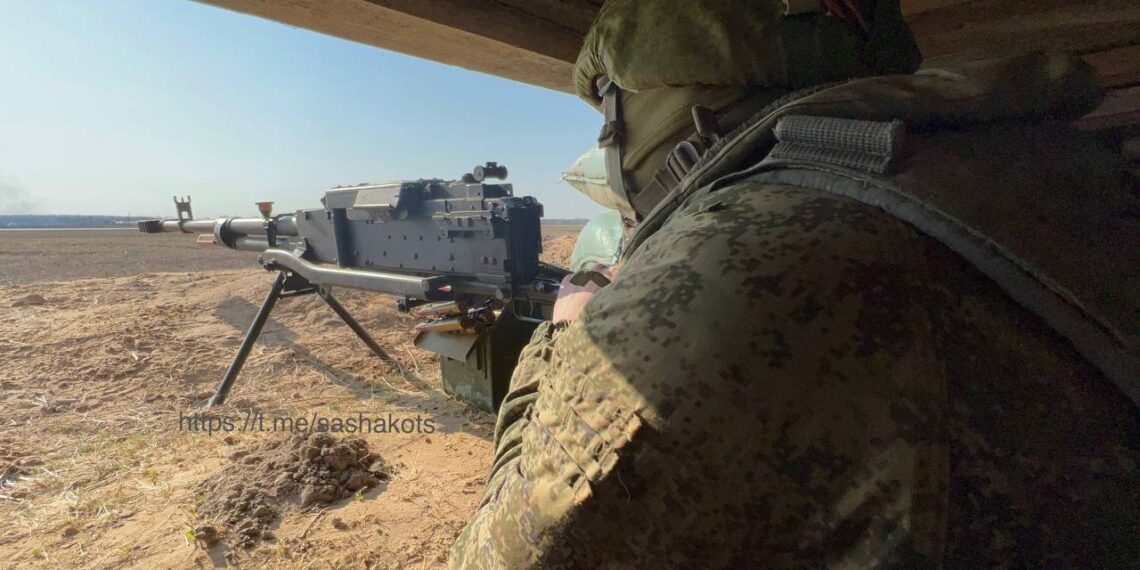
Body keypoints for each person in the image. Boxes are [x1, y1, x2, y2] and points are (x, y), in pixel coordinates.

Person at [450, 0, 1140, 567]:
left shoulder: (723, 281)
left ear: (671, 107)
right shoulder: (1043, 175)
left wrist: (566, 338)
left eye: (610, 118)